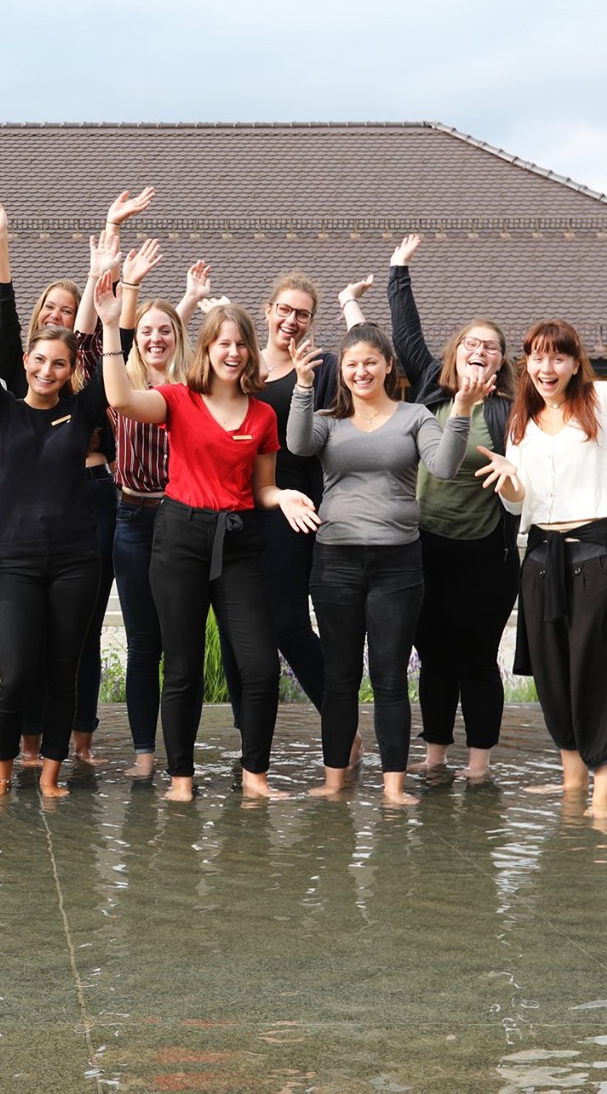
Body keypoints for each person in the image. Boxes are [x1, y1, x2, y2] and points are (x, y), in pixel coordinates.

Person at [97, 234, 319, 802]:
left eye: (241, 343)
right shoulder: (178, 399)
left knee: (259, 666)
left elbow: (262, 486)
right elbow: (121, 400)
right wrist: (111, 328)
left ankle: (254, 776)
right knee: (183, 667)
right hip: (179, 539)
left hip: (240, 542)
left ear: (250, 351)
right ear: (207, 348)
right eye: (223, 343)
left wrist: (284, 498)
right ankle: (181, 779)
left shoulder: (263, 414)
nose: (233, 352)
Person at [474, 319, 607, 818]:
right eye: (537, 357)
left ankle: (603, 798)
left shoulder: (603, 400)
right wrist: (508, 481)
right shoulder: (521, 420)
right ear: (526, 364)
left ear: (575, 363)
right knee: (553, 676)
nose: (546, 368)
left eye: (558, 357)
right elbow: (517, 503)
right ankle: (573, 781)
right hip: (542, 560)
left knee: (599, 673)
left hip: (598, 556)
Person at [285, 323, 480, 806]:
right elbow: (298, 445)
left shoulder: (415, 416)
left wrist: (461, 410)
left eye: (370, 362)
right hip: (336, 560)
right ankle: (334, 780)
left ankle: (393, 785)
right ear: (342, 372)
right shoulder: (329, 420)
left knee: (390, 677)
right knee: (340, 678)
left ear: (388, 365)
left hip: (398, 561)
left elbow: (443, 466)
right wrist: (303, 386)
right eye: (352, 364)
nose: (361, 371)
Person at [0, 191, 114, 765]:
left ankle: (52, 774)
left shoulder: (81, 411)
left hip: (76, 558)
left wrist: (112, 304)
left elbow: (111, 366)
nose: (48, 370)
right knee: (17, 674)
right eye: (39, 360)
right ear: (26, 362)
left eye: (59, 363)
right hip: (20, 562)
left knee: (63, 669)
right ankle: (3, 772)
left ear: (70, 369)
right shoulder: (3, 410)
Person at [374, 234, 520, 782]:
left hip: (484, 555)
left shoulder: (512, 411)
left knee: (476, 658)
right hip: (421, 549)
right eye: (471, 343)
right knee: (433, 656)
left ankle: (479, 765)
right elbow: (406, 332)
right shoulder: (431, 390)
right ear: (456, 352)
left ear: (500, 360)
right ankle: (435, 758)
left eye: (490, 346)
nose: (479, 350)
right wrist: (398, 269)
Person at [218, 269, 335, 743]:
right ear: (267, 312)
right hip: (233, 509)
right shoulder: (240, 364)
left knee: (288, 624)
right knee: (234, 631)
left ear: (311, 321)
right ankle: (248, 739)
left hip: (292, 508)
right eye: (284, 310)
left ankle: (341, 722)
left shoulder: (323, 369)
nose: (291, 320)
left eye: (302, 314)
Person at [106, 263, 204, 780]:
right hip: (131, 517)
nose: (154, 338)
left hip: (181, 517)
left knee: (181, 645)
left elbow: (168, 334)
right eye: (146, 331)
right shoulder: (122, 380)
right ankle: (144, 754)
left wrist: (185, 302)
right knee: (144, 643)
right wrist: (132, 290)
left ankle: (183, 756)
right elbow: (123, 335)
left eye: (164, 331)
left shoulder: (194, 387)